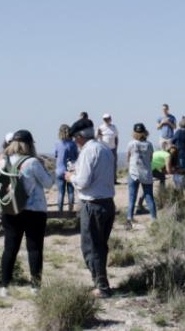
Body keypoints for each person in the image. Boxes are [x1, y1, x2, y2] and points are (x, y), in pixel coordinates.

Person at [0, 130, 54, 297]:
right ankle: (35, 287)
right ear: (30, 144)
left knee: (10, 248)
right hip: (34, 210)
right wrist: (45, 167)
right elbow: (48, 184)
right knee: (34, 248)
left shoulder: (3, 162)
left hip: (10, 209)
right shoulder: (32, 163)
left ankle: (5, 286)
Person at [67, 126, 116, 298]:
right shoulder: (104, 148)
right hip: (107, 202)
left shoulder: (89, 151)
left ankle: (101, 286)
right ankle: (101, 282)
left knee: (91, 247)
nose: (74, 141)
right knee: (100, 246)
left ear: (80, 136)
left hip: (93, 204)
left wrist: (70, 177)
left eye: (75, 137)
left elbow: (83, 182)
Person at [125, 123, 155, 229]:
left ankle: (129, 219)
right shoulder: (149, 144)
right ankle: (154, 219)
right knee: (149, 197)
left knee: (132, 198)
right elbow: (151, 158)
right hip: (146, 173)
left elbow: (128, 157)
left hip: (133, 172)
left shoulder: (131, 143)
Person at [54, 124, 79, 212]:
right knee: (71, 192)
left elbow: (56, 155)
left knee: (61, 193)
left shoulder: (57, 143)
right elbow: (76, 156)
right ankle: (70, 211)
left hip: (60, 170)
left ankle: (60, 212)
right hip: (70, 170)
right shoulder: (73, 144)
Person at [97, 114, 119, 184]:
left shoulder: (113, 127)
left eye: (108, 118)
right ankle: (104, 180)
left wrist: (116, 147)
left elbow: (116, 137)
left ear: (110, 119)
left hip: (112, 148)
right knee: (104, 165)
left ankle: (114, 180)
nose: (106, 120)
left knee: (113, 164)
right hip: (104, 149)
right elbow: (97, 137)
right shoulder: (100, 128)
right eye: (105, 119)